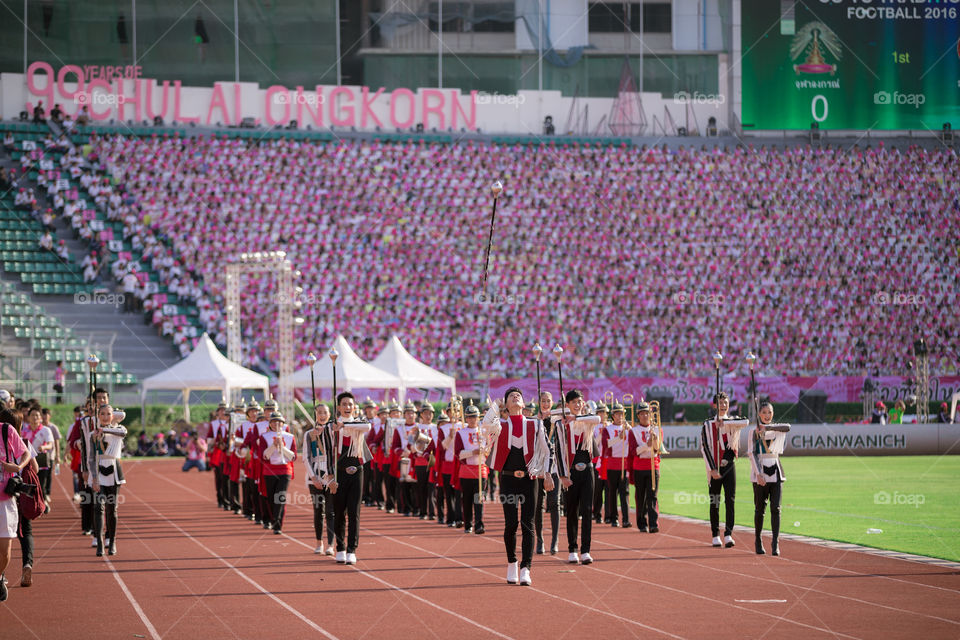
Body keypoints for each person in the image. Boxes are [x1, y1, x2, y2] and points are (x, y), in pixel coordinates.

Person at [481, 387, 554, 586]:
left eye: (518, 396)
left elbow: (548, 451)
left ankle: (526, 568)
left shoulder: (536, 424)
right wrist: (496, 405)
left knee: (528, 524)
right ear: (507, 404)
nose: (515, 397)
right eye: (511, 396)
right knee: (511, 523)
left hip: (530, 481)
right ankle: (512, 562)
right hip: (508, 480)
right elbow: (485, 425)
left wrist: (547, 474)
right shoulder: (500, 425)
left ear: (523, 403)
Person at [556, 389, 603, 565]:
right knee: (572, 511)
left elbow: (597, 419)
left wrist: (576, 418)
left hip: (588, 470)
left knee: (587, 510)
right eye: (574, 402)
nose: (577, 404)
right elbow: (560, 451)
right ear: (567, 405)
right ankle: (572, 549)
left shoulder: (586, 420)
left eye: (580, 401)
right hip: (571, 472)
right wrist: (562, 476)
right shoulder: (562, 425)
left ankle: (586, 550)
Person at [326, 392, 372, 565]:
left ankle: (352, 549)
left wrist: (343, 426)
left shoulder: (359, 423)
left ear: (354, 407)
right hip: (339, 472)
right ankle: (341, 548)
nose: (347, 407)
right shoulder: (332, 426)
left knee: (354, 512)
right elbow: (328, 452)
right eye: (344, 404)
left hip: (357, 470)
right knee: (339, 512)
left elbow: (367, 427)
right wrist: (329, 478)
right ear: (338, 407)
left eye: (350, 404)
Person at [700, 392, 748, 548]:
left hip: (729, 467)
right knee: (715, 501)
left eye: (725, 402)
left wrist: (725, 424)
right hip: (714, 467)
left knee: (730, 500)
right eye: (720, 402)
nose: (723, 405)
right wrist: (713, 469)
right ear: (715, 405)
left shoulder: (733, 421)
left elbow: (746, 422)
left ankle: (728, 534)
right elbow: (705, 447)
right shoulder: (707, 424)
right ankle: (715, 534)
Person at [749, 403, 790, 556]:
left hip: (776, 472)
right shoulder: (754, 432)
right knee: (760, 510)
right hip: (760, 475)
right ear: (759, 414)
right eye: (764, 412)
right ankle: (758, 540)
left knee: (776, 509)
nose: (767, 415)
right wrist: (758, 474)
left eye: (770, 412)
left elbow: (788, 427)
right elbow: (751, 453)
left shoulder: (777, 429)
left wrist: (767, 428)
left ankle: (775, 543)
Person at [1, 407, 33, 602]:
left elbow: (26, 453)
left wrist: (18, 467)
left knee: (4, 551)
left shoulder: (6, 430)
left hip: (5, 498)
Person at [90, 405, 127, 556]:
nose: (105, 417)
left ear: (113, 416)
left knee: (112, 510)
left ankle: (112, 541)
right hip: (99, 473)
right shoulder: (93, 434)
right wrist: (94, 478)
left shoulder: (118, 429)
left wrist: (103, 430)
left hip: (114, 473)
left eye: (108, 414)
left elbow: (123, 433)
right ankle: (99, 543)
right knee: (98, 507)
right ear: (98, 415)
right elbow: (91, 458)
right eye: (102, 414)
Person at [257, 411, 296, 534]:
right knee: (271, 498)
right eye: (274, 421)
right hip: (269, 471)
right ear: (270, 423)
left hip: (285, 470)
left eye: (279, 421)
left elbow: (293, 457)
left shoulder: (290, 437)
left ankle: (277, 524)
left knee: (280, 497)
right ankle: (273, 518)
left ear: (283, 423)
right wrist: (274, 446)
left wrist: (282, 447)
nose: (276, 424)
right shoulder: (264, 437)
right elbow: (264, 456)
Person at [304, 404, 335, 555]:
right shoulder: (309, 434)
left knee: (331, 511)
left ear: (329, 415)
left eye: (325, 413)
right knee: (318, 511)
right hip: (314, 477)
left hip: (330, 476)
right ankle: (319, 542)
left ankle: (330, 544)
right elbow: (305, 457)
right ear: (315, 415)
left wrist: (333, 476)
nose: (322, 415)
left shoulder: (334, 433)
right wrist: (313, 477)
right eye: (319, 413)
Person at [627, 401, 661, 533]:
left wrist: (655, 442)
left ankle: (653, 523)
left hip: (653, 466)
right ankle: (642, 523)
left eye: (646, 413)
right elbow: (634, 451)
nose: (644, 416)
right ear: (638, 415)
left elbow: (658, 450)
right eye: (641, 413)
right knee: (640, 496)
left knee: (653, 495)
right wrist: (647, 445)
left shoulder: (657, 429)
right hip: (639, 467)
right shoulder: (633, 431)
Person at [453, 401, 487, 534]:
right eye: (470, 417)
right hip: (466, 471)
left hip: (481, 469)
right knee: (466, 499)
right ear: (466, 418)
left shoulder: (484, 431)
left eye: (475, 416)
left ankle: (479, 524)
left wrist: (484, 450)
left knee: (479, 499)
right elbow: (458, 453)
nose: (473, 419)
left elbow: (489, 449)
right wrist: (472, 452)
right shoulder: (460, 433)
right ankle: (468, 524)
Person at [534, 391, 560, 555]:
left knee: (554, 504)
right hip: (538, 467)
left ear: (552, 403)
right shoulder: (534, 422)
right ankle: (540, 540)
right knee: (538, 506)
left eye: (548, 401)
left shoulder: (557, 420)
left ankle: (555, 540)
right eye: (542, 401)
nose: (545, 403)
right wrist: (538, 420)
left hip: (555, 467)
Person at [602, 402, 631, 529]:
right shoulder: (607, 429)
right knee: (612, 493)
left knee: (625, 493)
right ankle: (614, 518)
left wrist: (629, 430)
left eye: (622, 414)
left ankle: (626, 519)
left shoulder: (629, 429)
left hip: (625, 464)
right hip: (613, 463)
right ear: (613, 416)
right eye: (617, 414)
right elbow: (606, 445)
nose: (620, 416)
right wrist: (619, 437)